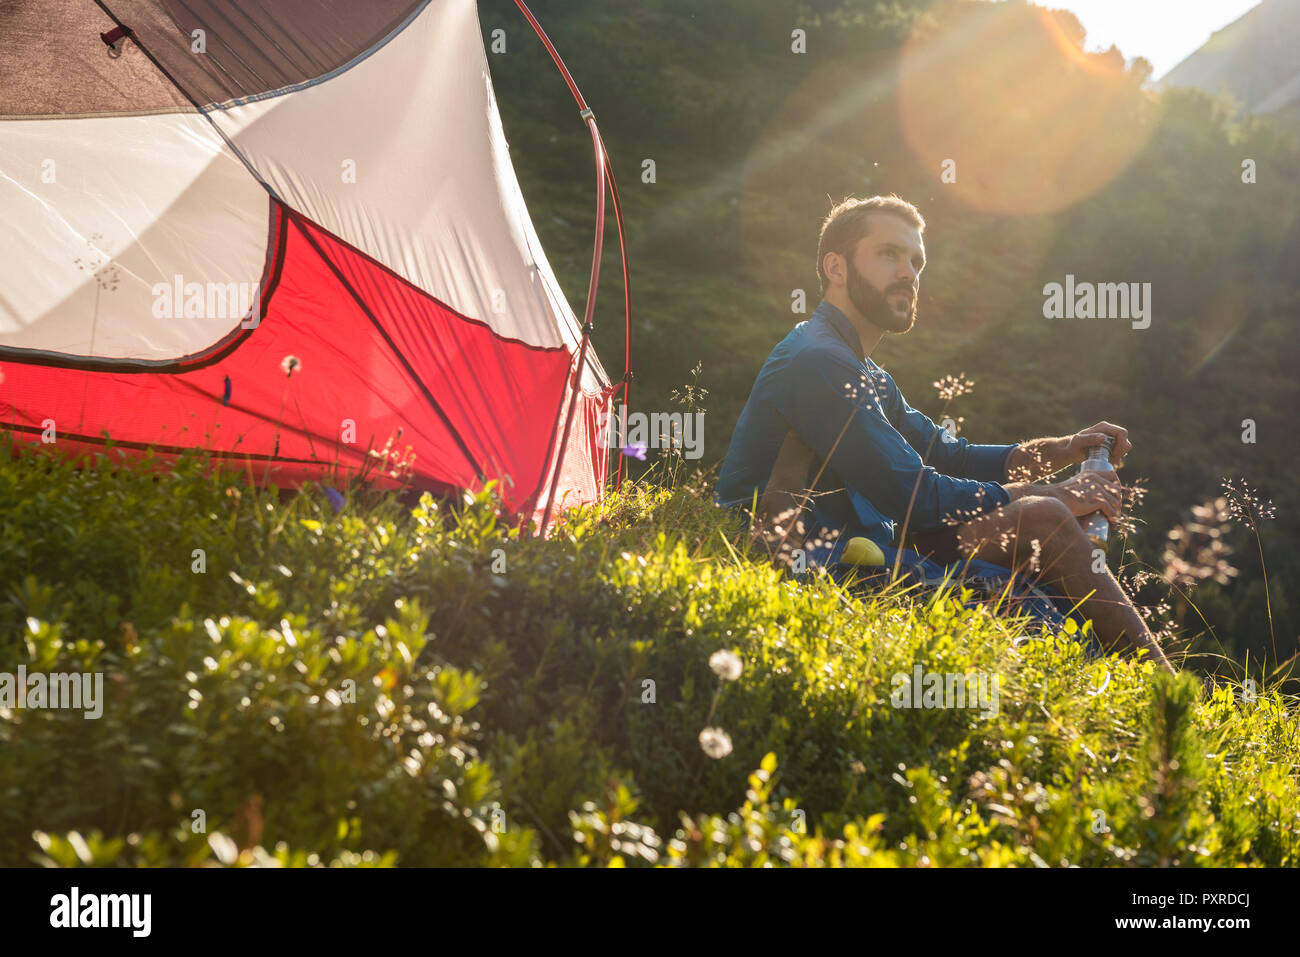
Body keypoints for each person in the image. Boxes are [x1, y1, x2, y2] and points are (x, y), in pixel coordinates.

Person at [716, 195, 1175, 673]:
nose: (910, 272)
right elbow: (915, 495)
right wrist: (1056, 493)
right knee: (1046, 519)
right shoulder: (817, 362)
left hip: (870, 546)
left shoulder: (862, 370)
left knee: (1044, 522)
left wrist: (1061, 450)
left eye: (916, 261)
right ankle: (1163, 690)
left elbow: (949, 455)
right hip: (811, 559)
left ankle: (1149, 689)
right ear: (835, 267)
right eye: (888, 254)